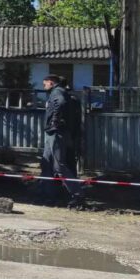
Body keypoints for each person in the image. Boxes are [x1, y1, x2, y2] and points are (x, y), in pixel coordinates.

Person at [42, 74, 85, 208]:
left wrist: (55, 121)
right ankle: (47, 193)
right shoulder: (62, 93)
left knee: (58, 166)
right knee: (47, 163)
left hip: (56, 132)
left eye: (45, 84)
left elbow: (60, 103)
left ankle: (77, 194)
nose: (44, 86)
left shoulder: (57, 92)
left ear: (51, 82)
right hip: (56, 132)